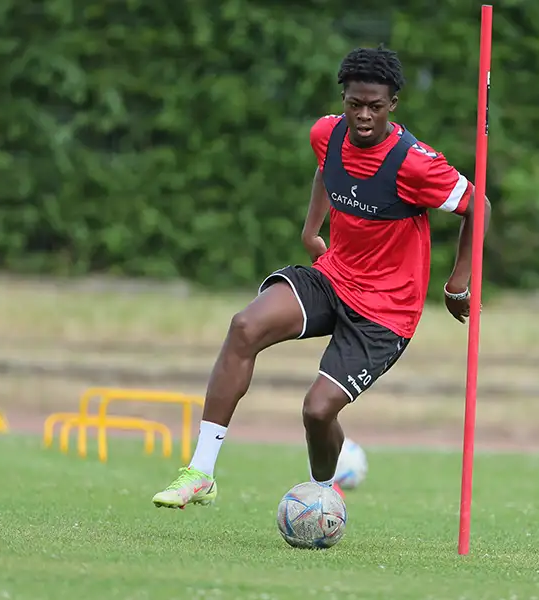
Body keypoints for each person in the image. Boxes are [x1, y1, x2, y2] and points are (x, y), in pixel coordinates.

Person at [150, 45, 491, 509]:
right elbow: (325, 171)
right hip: (334, 276)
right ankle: (200, 472)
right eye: (355, 104)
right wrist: (312, 229)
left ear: (393, 105)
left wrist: (458, 283)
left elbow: (479, 206)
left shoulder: (416, 164)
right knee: (244, 326)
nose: (363, 116)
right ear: (343, 99)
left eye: (375, 106)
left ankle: (320, 491)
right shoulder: (327, 134)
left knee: (317, 410)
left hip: (386, 311)